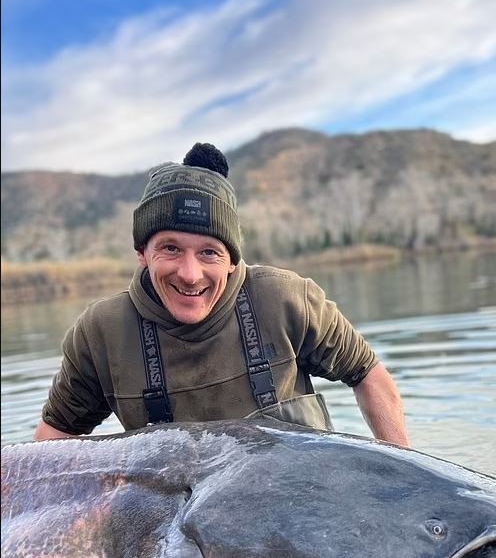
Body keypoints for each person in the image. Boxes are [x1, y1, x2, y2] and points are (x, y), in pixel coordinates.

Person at [33, 142, 410, 446]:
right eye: (170, 248)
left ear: (231, 260)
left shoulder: (285, 299)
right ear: (142, 253)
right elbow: (53, 439)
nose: (190, 274)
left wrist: (408, 478)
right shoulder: (101, 333)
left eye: (209, 252)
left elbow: (369, 375)